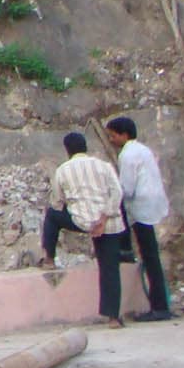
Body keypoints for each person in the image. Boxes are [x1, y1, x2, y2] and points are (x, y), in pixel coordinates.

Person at [39, 131, 127, 328]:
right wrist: (104, 216)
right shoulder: (104, 166)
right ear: (85, 147)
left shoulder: (63, 170)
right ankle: (113, 317)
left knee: (52, 215)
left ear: (67, 150)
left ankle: (49, 258)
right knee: (110, 267)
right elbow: (118, 192)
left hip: (81, 220)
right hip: (109, 223)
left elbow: (57, 201)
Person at [106, 116, 174, 322]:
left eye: (113, 136)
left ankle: (160, 307)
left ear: (124, 135)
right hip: (153, 204)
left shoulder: (127, 155)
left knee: (150, 256)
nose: (111, 140)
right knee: (152, 255)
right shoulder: (143, 150)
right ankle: (161, 304)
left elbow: (126, 189)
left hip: (141, 208)